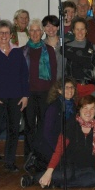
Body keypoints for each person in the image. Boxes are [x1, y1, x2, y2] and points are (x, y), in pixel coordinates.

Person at [22, 96, 95, 188]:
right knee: (68, 174)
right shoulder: (70, 125)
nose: (88, 112)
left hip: (86, 169)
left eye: (92, 109)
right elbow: (59, 150)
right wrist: (49, 172)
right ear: (79, 110)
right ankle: (33, 178)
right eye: (85, 108)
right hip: (67, 166)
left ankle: (56, 184)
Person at [0, 19, 29, 177]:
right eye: (1, 33)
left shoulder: (17, 51)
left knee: (14, 130)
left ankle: (9, 162)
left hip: (16, 97)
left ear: (11, 35)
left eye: (7, 33)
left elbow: (24, 74)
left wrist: (25, 95)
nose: (4, 35)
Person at [24, 77, 77, 175]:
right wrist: (58, 151)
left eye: (72, 87)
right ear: (60, 90)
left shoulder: (73, 106)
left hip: (62, 144)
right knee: (62, 170)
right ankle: (36, 163)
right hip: (48, 145)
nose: (70, 90)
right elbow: (47, 133)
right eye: (66, 87)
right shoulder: (54, 107)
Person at [22, 18, 57, 158]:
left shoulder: (49, 50)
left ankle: (42, 155)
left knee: (44, 125)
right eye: (32, 30)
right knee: (29, 125)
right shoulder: (22, 51)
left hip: (45, 93)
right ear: (28, 32)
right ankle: (29, 156)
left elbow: (53, 74)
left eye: (38, 30)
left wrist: (53, 94)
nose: (35, 33)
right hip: (28, 94)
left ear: (42, 32)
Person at [64, 16, 95, 98]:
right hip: (71, 90)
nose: (80, 32)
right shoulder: (65, 48)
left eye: (82, 29)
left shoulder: (93, 47)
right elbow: (60, 70)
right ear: (73, 30)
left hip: (90, 88)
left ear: (86, 30)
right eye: (77, 29)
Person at [42, 15, 63, 80]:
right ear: (44, 28)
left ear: (58, 27)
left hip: (63, 81)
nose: (51, 29)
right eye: (48, 26)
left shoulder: (65, 43)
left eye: (53, 26)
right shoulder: (41, 45)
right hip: (46, 81)